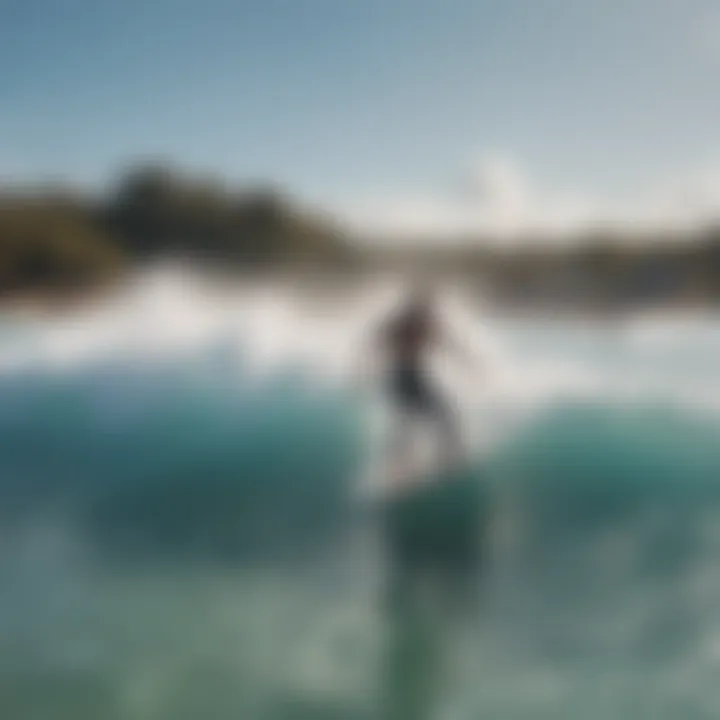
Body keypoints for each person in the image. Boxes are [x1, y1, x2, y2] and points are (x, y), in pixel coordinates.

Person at [375, 281, 477, 484]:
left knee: (439, 414)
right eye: (426, 304)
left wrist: (468, 363)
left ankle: (446, 455)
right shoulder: (402, 321)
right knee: (412, 418)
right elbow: (379, 340)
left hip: (411, 376)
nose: (430, 307)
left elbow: (448, 343)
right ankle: (400, 466)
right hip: (401, 376)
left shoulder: (426, 323)